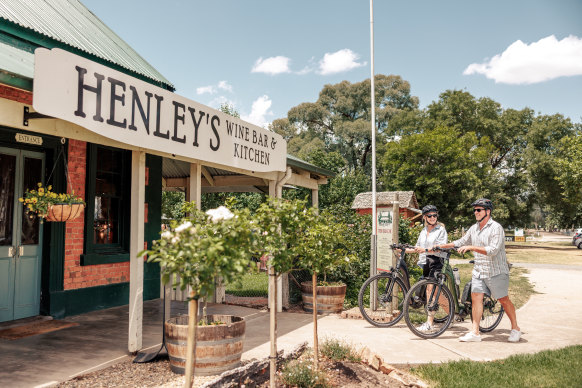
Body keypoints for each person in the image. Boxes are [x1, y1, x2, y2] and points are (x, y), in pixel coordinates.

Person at [437, 198, 521, 342]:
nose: (475, 212)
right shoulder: (474, 228)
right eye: (474, 210)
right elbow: (461, 242)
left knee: (503, 300)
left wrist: (472, 247)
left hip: (496, 271)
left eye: (479, 210)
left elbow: (493, 250)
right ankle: (475, 332)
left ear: (487, 212)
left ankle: (515, 328)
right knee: (476, 297)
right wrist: (442, 246)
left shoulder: (496, 228)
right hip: (479, 270)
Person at [403, 204, 447, 332]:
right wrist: (404, 251)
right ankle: (453, 315)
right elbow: (418, 248)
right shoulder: (423, 231)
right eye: (430, 216)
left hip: (437, 261)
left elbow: (441, 247)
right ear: (424, 217)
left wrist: (426, 250)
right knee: (437, 295)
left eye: (435, 215)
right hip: (426, 262)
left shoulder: (440, 230)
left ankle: (429, 323)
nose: (433, 217)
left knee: (430, 290)